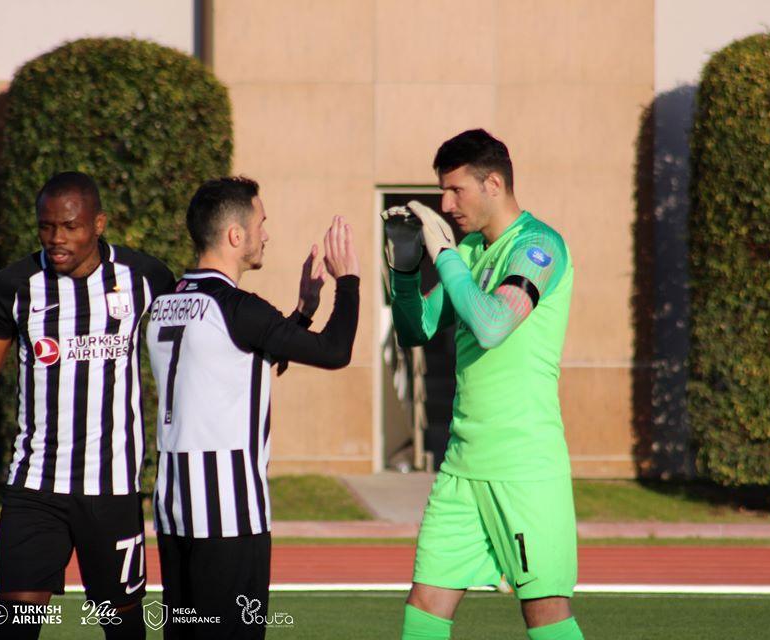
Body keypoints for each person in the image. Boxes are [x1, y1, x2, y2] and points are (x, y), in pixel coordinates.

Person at [0, 171, 175, 640]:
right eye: (46, 226)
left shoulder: (145, 277)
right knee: (18, 624)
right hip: (35, 487)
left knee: (123, 626)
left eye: (70, 226)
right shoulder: (14, 286)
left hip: (112, 488)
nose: (56, 238)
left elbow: (192, 346)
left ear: (98, 224)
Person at [384, 129, 582, 640]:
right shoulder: (471, 249)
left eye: (456, 190)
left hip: (524, 468)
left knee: (545, 613)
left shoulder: (539, 246)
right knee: (424, 605)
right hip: (462, 467)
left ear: (493, 183)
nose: (446, 205)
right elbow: (417, 330)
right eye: (442, 192)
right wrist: (405, 270)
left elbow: (492, 325)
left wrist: (444, 254)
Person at [145, 176, 360, 639]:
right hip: (230, 513)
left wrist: (302, 311)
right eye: (261, 223)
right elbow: (335, 351)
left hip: (175, 507)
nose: (266, 234)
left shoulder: (166, 303)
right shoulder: (239, 307)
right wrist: (349, 281)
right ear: (235, 235)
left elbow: (238, 366)